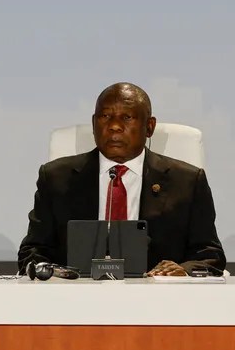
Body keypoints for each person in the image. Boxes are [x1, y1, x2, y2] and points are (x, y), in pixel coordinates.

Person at [18, 82, 225, 276]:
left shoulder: (187, 182)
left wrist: (181, 271)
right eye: (105, 116)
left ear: (149, 126)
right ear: (94, 123)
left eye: (127, 117)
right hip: (76, 296)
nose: (114, 126)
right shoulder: (56, 178)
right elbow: (33, 251)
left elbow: (210, 255)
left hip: (158, 298)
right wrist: (56, 274)